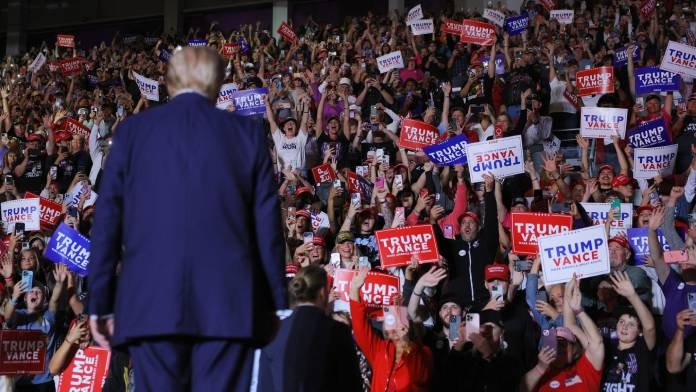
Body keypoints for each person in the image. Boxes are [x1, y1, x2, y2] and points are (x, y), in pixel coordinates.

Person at [88, 47, 287, 392]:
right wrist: (275, 304)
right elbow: (268, 229)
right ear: (218, 84)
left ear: (168, 82)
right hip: (227, 307)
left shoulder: (132, 132)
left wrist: (100, 302)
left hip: (151, 305)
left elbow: (107, 222)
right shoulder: (248, 134)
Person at [256, 265, 362, 391]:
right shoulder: (337, 331)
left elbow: (264, 385)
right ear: (323, 292)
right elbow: (351, 384)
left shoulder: (275, 330)